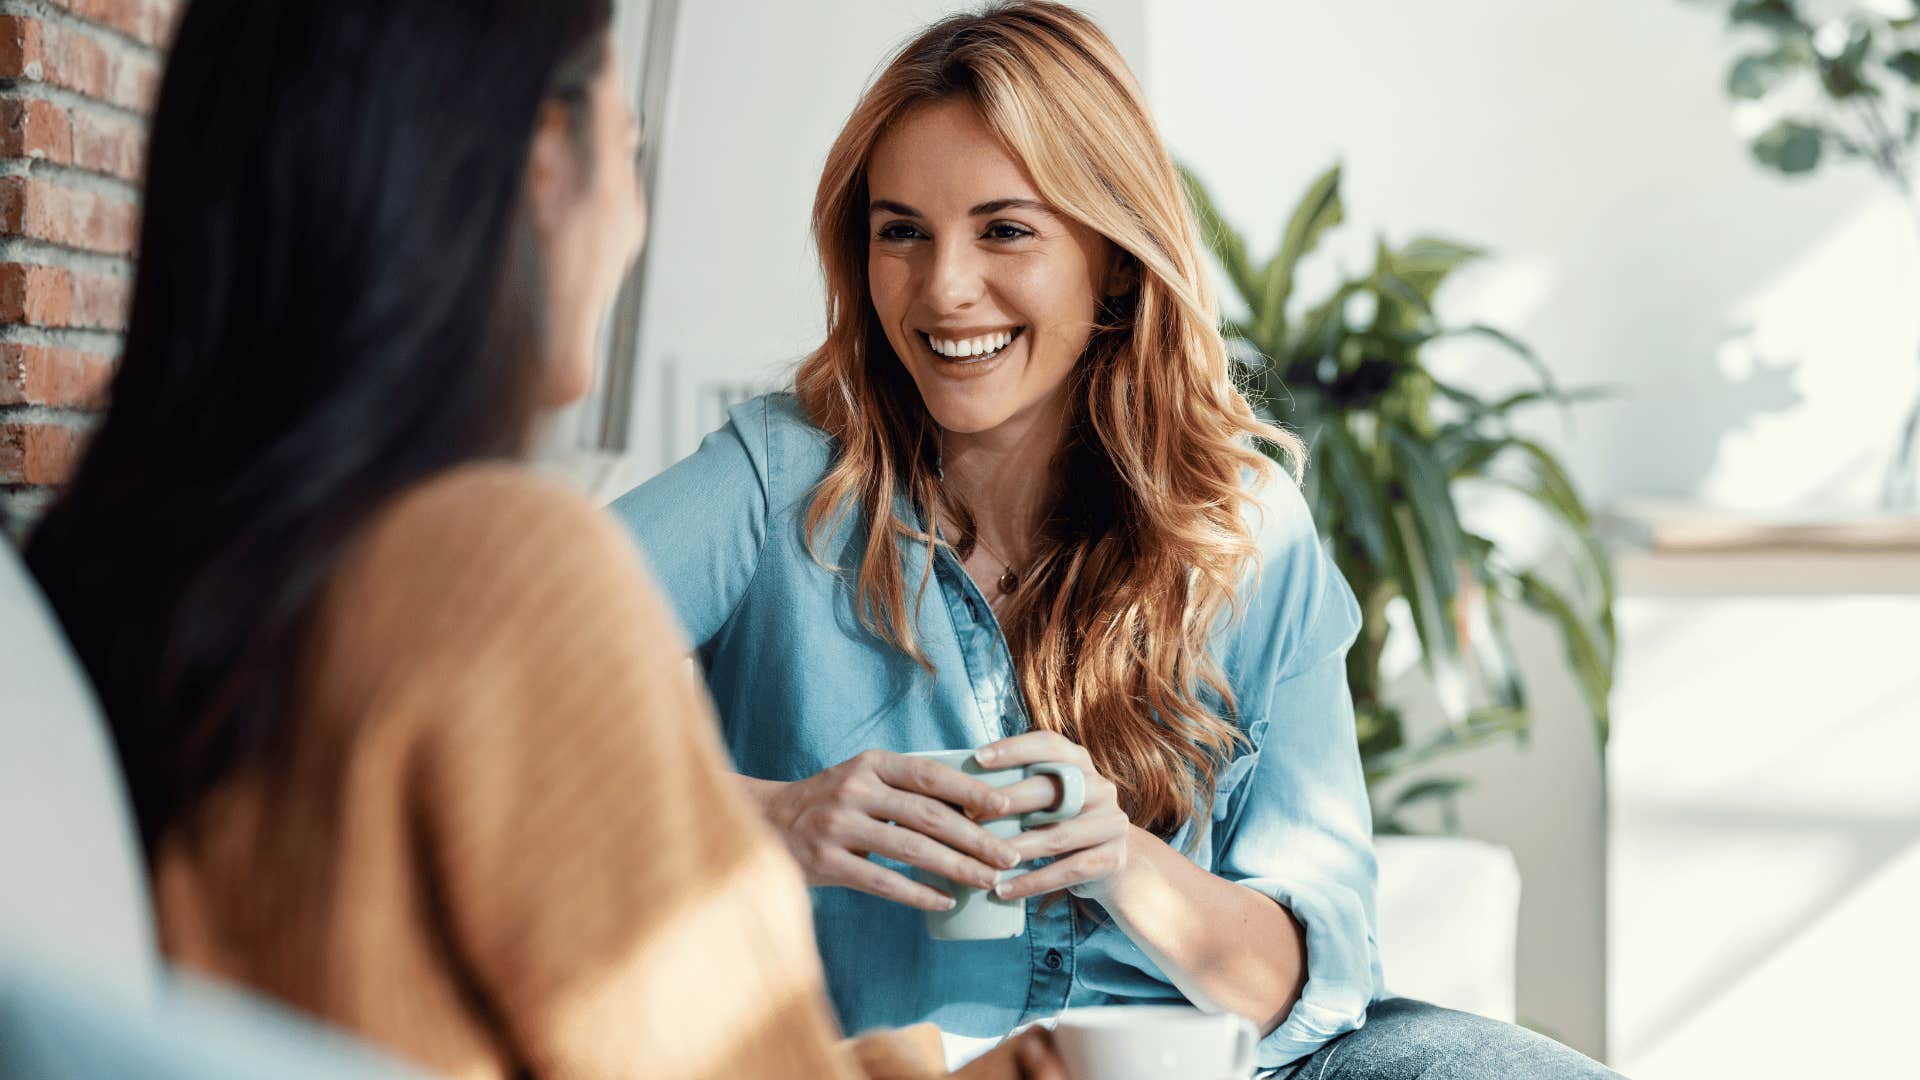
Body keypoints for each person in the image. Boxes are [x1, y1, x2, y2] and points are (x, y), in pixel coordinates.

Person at [23, 1, 1058, 1077]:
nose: (636, 214)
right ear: (544, 165)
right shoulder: (502, 571)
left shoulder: (122, 568)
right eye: (629, 147)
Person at [611, 4, 1623, 1077]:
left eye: (1006, 229)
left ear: (1115, 260)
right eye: (901, 230)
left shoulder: (1242, 527)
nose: (945, 286)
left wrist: (1120, 861)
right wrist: (778, 814)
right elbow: (475, 687)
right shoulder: (783, 479)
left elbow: (1308, 985)